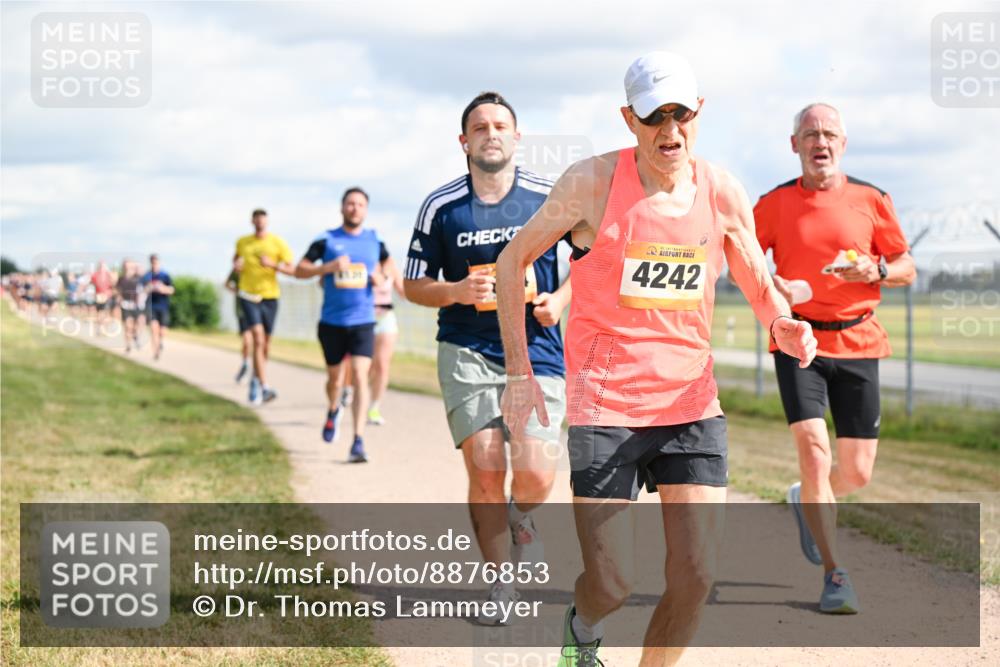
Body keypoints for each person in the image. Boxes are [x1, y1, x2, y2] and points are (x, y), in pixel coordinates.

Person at [496, 52, 817, 666]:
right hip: (605, 406)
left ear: (700, 112)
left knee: (695, 578)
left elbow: (754, 273)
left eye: (682, 115)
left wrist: (781, 322)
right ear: (629, 119)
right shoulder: (590, 183)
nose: (670, 132)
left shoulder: (721, 189)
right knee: (612, 584)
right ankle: (583, 629)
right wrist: (519, 372)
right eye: (654, 118)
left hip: (690, 406)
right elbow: (513, 264)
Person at [404, 91, 572, 624]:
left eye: (501, 125)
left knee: (536, 475)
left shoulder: (552, 196)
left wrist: (559, 299)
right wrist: (455, 290)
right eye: (480, 127)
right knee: (484, 466)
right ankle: (501, 583)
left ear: (517, 137)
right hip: (468, 348)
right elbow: (412, 284)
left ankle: (524, 519)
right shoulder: (441, 206)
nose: (491, 133)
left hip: (536, 350)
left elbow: (594, 259)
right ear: (464, 142)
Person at [753, 102, 915, 615]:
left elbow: (907, 266)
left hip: (859, 342)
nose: (819, 141)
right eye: (809, 134)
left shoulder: (872, 198)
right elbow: (744, 258)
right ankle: (835, 573)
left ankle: (808, 495)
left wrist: (876, 271)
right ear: (794, 145)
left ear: (842, 144)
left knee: (857, 474)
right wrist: (772, 284)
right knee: (814, 451)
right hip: (799, 341)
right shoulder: (773, 203)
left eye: (828, 133)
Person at [294, 187, 391, 462]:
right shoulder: (326, 240)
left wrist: (380, 278)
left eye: (360, 204)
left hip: (363, 320)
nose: (354, 208)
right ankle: (333, 407)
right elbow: (300, 270)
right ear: (342, 208)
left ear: (366, 210)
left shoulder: (375, 240)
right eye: (350, 203)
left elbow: (387, 268)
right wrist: (327, 267)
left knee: (360, 375)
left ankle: (358, 440)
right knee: (335, 379)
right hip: (332, 322)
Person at [233, 209, 295, 405]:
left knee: (265, 344)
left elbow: (291, 269)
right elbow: (235, 259)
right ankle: (264, 385)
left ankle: (255, 378)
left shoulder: (277, 243)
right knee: (257, 339)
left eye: (263, 219)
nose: (260, 222)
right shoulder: (243, 242)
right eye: (256, 219)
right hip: (248, 295)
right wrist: (237, 266)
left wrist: (273, 265)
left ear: (267, 221)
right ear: (252, 221)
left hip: (270, 296)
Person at [367, 254, 406, 425]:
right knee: (365, 367)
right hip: (363, 319)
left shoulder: (390, 265)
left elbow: (404, 292)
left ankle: (374, 408)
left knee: (382, 365)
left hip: (386, 319)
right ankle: (353, 393)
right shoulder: (362, 263)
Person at [224, 260, 253, 382]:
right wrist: (237, 291)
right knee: (247, 340)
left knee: (258, 341)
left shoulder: (253, 270)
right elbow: (227, 284)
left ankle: (256, 370)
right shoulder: (235, 272)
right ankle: (245, 364)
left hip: (256, 308)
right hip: (242, 311)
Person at [141, 254, 174, 360]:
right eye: (152, 262)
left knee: (162, 331)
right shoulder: (146, 276)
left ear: (158, 262)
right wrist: (149, 288)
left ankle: (161, 342)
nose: (154, 264)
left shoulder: (165, 275)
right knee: (153, 329)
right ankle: (156, 353)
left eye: (155, 262)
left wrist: (162, 289)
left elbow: (172, 290)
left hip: (163, 306)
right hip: (151, 306)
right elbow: (141, 291)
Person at [117, 260, 144, 353]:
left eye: (130, 266)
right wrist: (119, 298)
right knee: (127, 326)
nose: (127, 268)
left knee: (138, 324)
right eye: (126, 266)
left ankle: (135, 335)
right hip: (125, 304)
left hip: (135, 305)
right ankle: (128, 345)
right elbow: (118, 290)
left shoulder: (138, 277)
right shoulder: (121, 279)